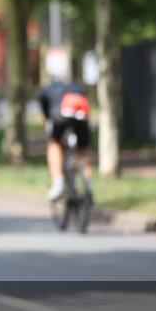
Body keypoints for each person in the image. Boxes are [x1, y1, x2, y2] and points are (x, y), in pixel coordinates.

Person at [38, 51, 93, 201]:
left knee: (54, 143)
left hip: (60, 118)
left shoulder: (47, 89)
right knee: (83, 149)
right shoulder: (76, 87)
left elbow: (46, 115)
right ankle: (88, 184)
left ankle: (58, 182)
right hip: (81, 117)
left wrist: (47, 124)